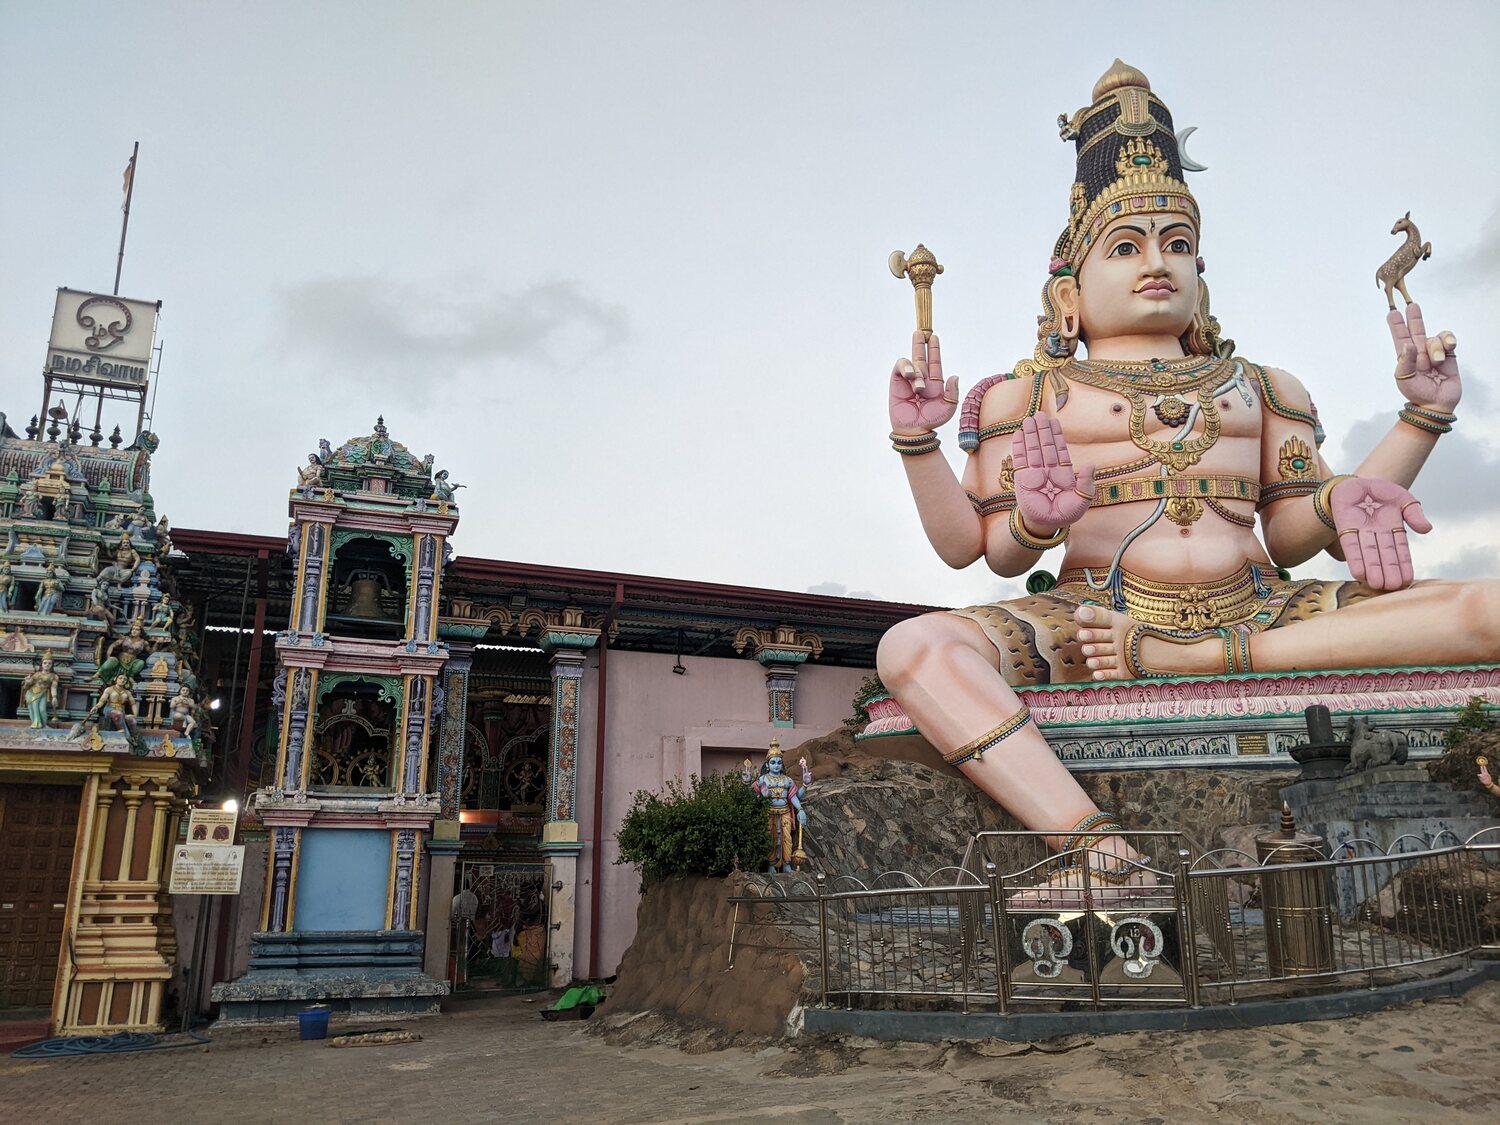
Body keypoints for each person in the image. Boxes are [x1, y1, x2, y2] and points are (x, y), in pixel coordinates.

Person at [877, 60, 1498, 905]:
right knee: (912, 648)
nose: (1156, 263)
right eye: (1126, 247)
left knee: (1489, 607)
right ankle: (1102, 849)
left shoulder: (1264, 387)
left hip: (1265, 604)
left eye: (1178, 245)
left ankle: (1207, 657)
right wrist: (937, 455)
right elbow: (971, 549)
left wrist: (1414, 426)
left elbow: (1288, 533)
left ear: (1202, 272)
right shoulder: (1029, 395)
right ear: (1069, 292)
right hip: (1094, 617)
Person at [742, 738, 810, 873]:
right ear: (767, 765)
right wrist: (746, 783)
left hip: (784, 812)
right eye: (773, 762)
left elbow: (794, 797)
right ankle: (771, 865)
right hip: (769, 813)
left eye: (779, 762)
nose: (776, 765)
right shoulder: (762, 779)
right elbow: (751, 796)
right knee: (771, 838)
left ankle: (786, 865)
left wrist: (805, 785)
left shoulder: (787, 780)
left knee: (786, 838)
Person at [21, 652, 60, 728]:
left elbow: (53, 687)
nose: (47, 665)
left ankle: (44, 724)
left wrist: (54, 697)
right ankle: (36, 724)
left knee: (42, 709)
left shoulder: (54, 676)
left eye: (49, 663)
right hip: (32, 692)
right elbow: (27, 685)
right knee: (35, 708)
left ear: (52, 665)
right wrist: (27, 681)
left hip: (43, 693)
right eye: (45, 663)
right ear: (42, 664)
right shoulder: (37, 674)